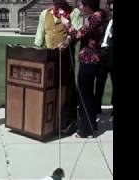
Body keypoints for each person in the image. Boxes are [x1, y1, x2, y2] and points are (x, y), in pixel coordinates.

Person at [58, 0, 107, 138]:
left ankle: (85, 131)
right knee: (88, 95)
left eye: (81, 4)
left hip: (89, 61)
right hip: (92, 61)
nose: (79, 7)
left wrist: (67, 24)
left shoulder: (95, 17)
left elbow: (79, 35)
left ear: (88, 5)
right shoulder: (97, 16)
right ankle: (91, 125)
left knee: (84, 96)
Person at [34, 0, 83, 134]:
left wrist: (68, 41)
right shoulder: (45, 14)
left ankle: (69, 120)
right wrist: (37, 53)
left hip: (67, 58)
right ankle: (51, 119)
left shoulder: (75, 12)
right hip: (49, 58)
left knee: (67, 88)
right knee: (50, 88)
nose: (56, 3)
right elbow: (39, 38)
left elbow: (79, 34)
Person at [95, 0, 114, 119]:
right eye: (111, 9)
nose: (112, 12)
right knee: (99, 83)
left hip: (113, 55)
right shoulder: (106, 22)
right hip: (103, 55)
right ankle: (96, 106)